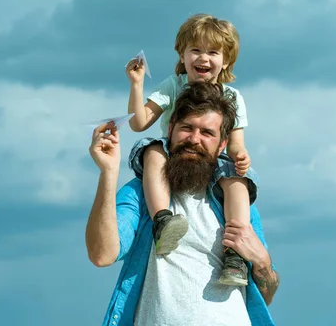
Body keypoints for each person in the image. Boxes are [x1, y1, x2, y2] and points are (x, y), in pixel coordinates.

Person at [86, 81, 279, 326]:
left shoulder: (236, 203)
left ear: (222, 144)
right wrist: (108, 172)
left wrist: (262, 260)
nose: (194, 139)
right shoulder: (141, 194)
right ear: (170, 130)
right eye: (187, 128)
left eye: (207, 133)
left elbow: (264, 296)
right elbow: (102, 255)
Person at [126, 13, 254, 286]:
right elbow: (139, 123)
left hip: (211, 160)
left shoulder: (232, 97)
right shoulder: (174, 86)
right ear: (182, 55)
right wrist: (136, 85)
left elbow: (235, 145)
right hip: (174, 155)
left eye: (212, 52)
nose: (202, 58)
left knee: (237, 178)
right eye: (195, 50)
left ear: (226, 60)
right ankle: (162, 221)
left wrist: (241, 158)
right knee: (152, 149)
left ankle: (235, 255)